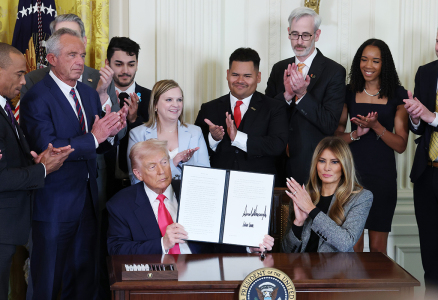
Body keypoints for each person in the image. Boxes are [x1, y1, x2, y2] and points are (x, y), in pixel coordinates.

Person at [19, 28, 127, 299]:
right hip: (54, 204)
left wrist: (109, 134)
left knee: (84, 280)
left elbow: (95, 145)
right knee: (49, 281)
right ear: (52, 59)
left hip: (88, 204)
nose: (80, 61)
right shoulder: (36, 97)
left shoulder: (89, 94)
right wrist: (95, 137)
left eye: (82, 55)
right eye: (72, 55)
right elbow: (50, 148)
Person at [108, 139, 273, 255]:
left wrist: (248, 247)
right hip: (156, 277)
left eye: (164, 162)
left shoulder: (194, 190)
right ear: (138, 174)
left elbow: (217, 239)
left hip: (201, 271)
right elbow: (117, 249)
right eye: (152, 166)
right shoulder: (121, 205)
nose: (161, 171)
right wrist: (162, 243)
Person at [0, 43, 72, 300]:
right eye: (18, 74)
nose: (23, 81)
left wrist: (37, 161)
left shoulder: (5, 108)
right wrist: (42, 169)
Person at [335, 39, 409, 254]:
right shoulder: (348, 92)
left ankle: (378, 290)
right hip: (352, 178)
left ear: (384, 65)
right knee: (353, 245)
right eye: (364, 59)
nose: (368, 65)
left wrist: (377, 127)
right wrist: (356, 134)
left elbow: (401, 145)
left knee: (378, 251)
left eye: (375, 61)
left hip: (383, 179)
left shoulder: (398, 95)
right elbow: (336, 137)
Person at [265, 7, 346, 185]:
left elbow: (329, 123)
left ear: (316, 35)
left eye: (306, 35)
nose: (299, 41)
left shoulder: (334, 72)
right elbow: (265, 115)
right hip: (276, 165)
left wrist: (302, 95)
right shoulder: (279, 68)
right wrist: (286, 95)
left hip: (311, 165)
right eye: (295, 34)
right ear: (288, 32)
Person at [403, 16, 438, 297]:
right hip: (426, 176)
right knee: (432, 258)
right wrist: (416, 118)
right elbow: (416, 126)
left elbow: (436, 119)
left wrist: (431, 116)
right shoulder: (425, 72)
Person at [195, 48, 288, 179]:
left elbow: (277, 145)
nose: (240, 80)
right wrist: (213, 139)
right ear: (227, 74)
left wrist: (238, 138)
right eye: (235, 74)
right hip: (219, 185)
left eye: (247, 76)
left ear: (258, 77)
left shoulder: (274, 107)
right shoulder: (209, 108)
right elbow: (195, 149)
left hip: (259, 185)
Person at [282, 136, 373, 253]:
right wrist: (298, 223)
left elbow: (346, 243)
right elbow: (285, 252)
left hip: (337, 270)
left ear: (345, 165)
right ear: (315, 163)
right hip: (302, 268)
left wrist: (311, 209)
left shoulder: (360, 198)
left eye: (334, 162)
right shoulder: (303, 196)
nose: (327, 168)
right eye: (322, 161)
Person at [127, 80, 210, 183]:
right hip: (152, 198)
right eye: (169, 100)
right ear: (155, 104)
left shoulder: (195, 132)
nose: (176, 105)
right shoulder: (137, 134)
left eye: (179, 100)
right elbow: (136, 180)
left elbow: (206, 175)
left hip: (187, 197)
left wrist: (188, 161)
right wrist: (173, 163)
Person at [105, 37, 152, 183]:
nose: (125, 71)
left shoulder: (152, 98)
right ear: (108, 64)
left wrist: (134, 120)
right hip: (104, 181)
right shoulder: (97, 95)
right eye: (118, 64)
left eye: (131, 64)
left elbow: (156, 144)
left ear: (137, 64)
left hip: (141, 181)